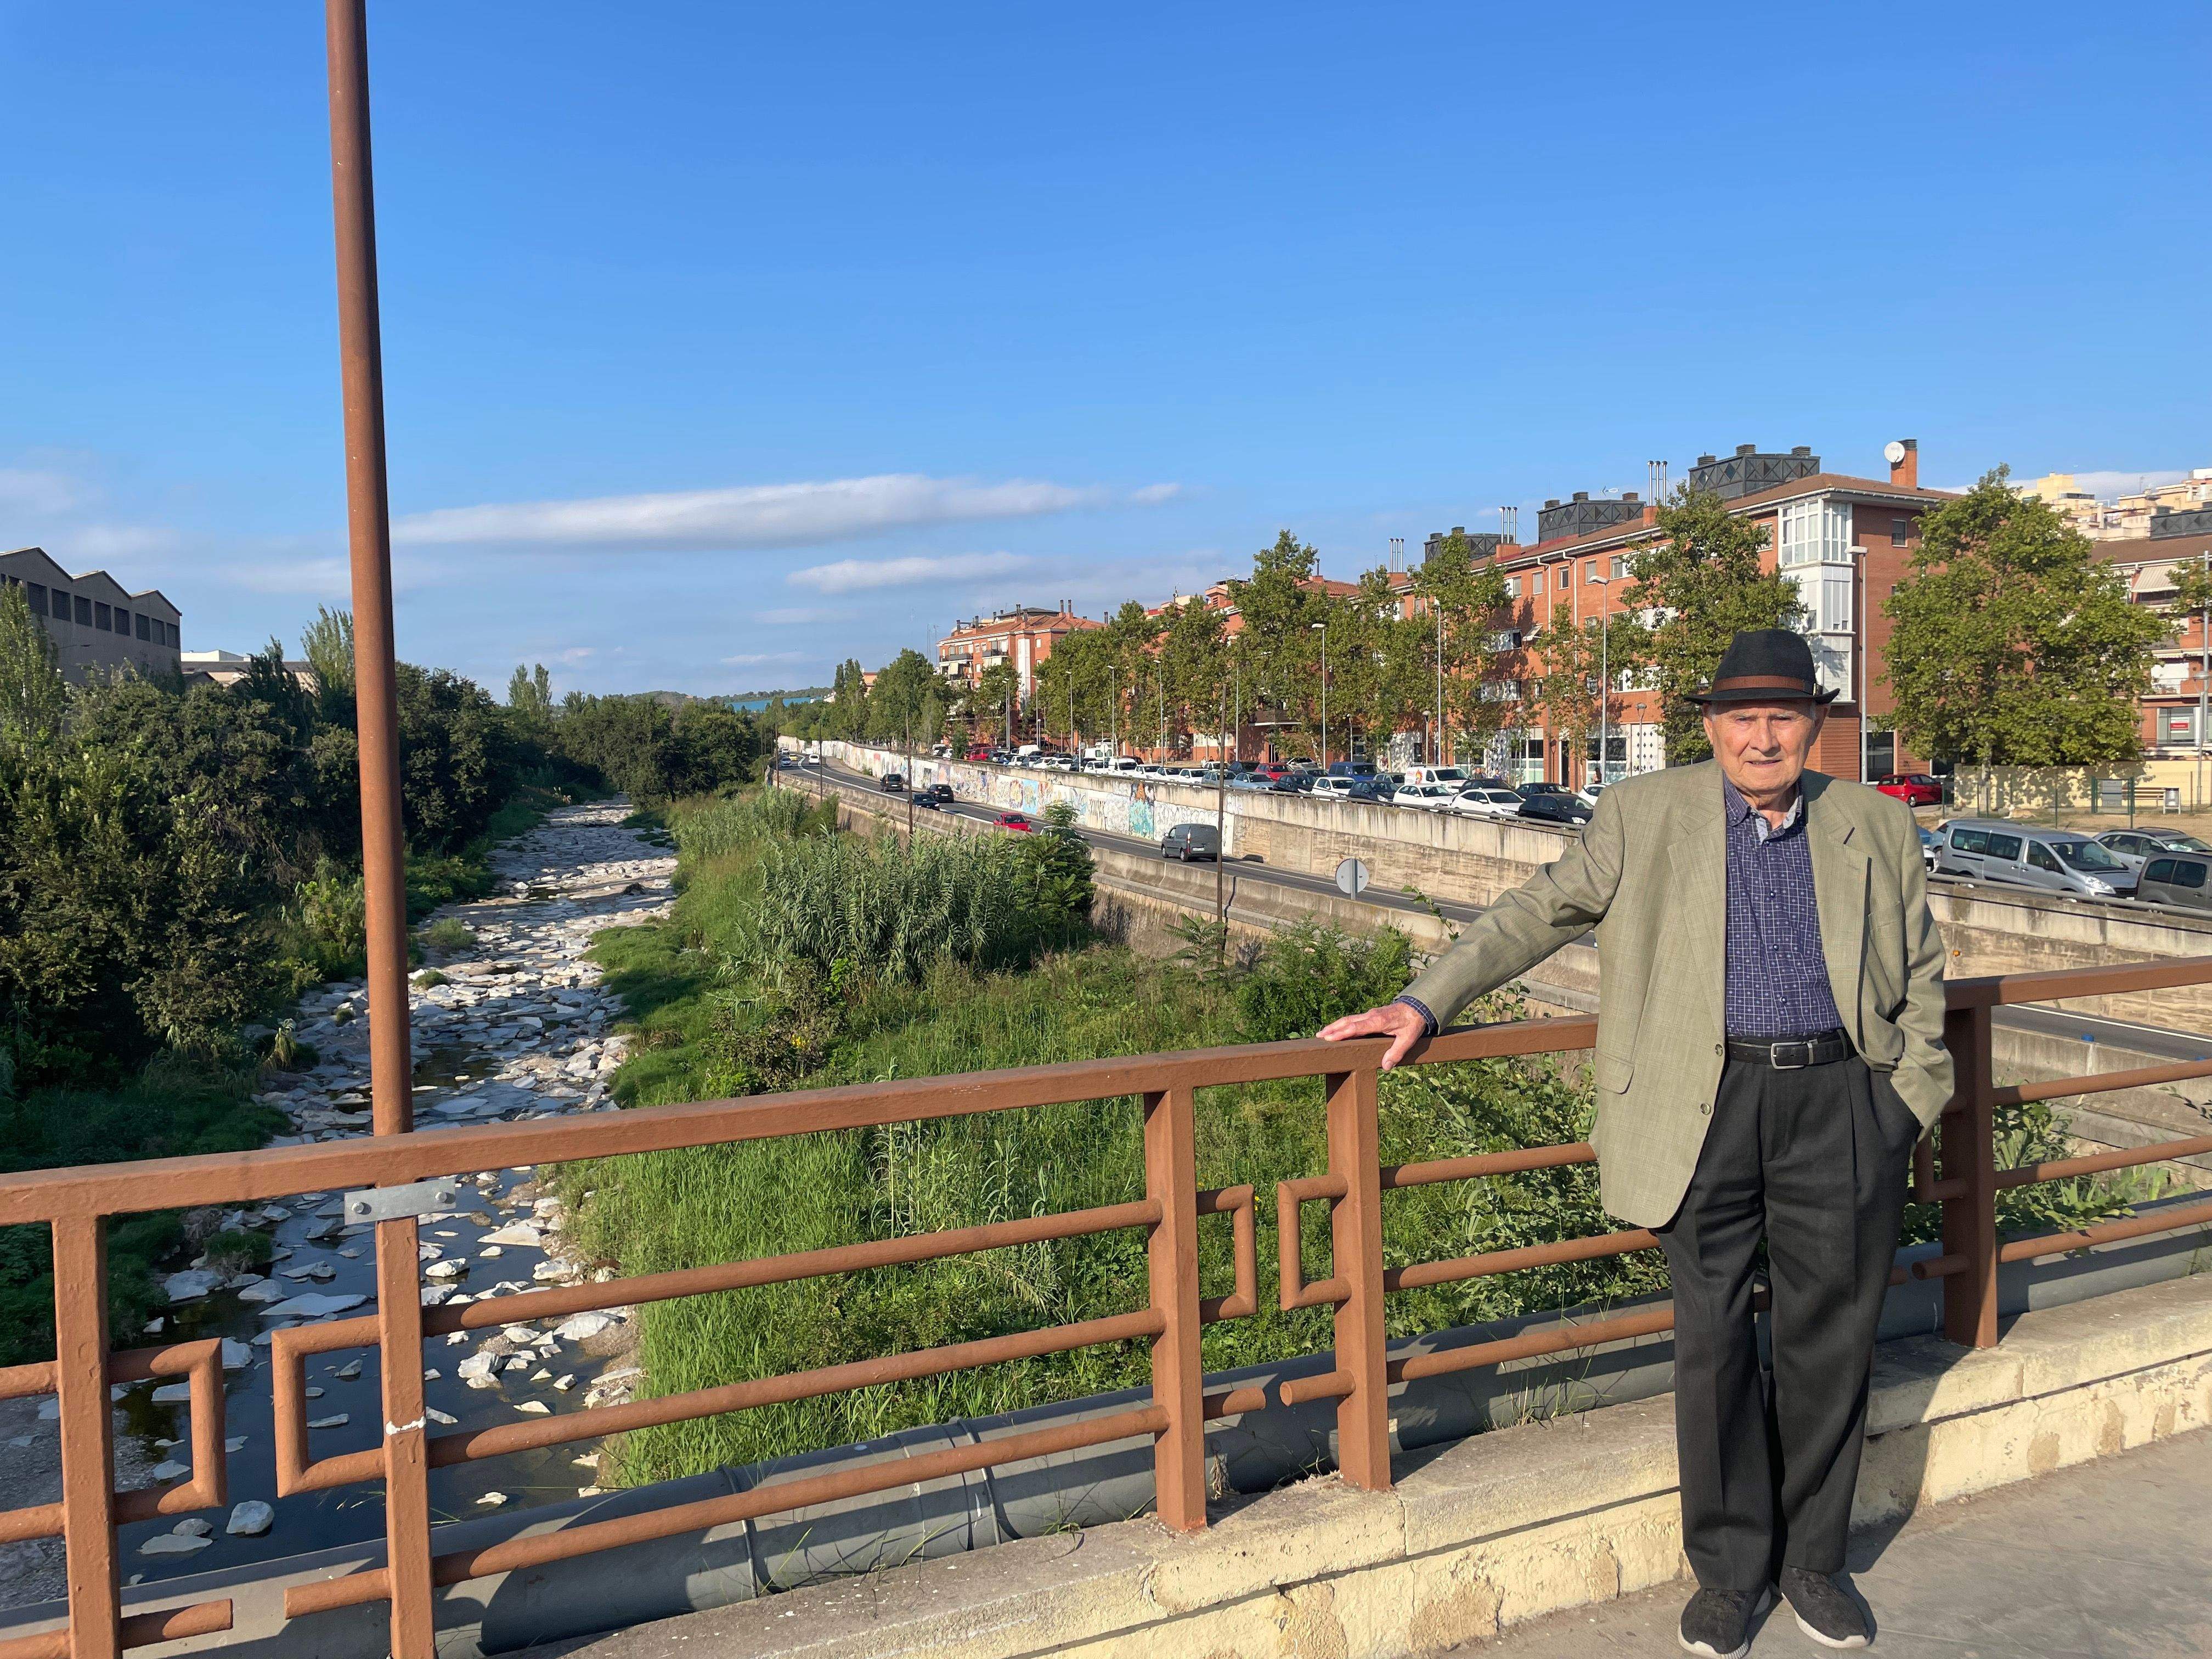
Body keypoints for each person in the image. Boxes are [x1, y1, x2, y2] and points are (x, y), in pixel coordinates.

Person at [1322, 629, 1950, 1656]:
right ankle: (1730, 1572)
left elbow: (1921, 965)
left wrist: (1907, 1098)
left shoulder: (1876, 827)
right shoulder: (1641, 812)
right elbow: (1538, 912)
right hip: (1698, 1109)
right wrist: (1421, 1003)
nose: (1762, 736)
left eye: (1782, 716)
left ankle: (1815, 1565)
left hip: (1841, 1102)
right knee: (1711, 1346)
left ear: (1815, 726)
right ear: (1708, 727)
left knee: (1830, 1345)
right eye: (1741, 717)